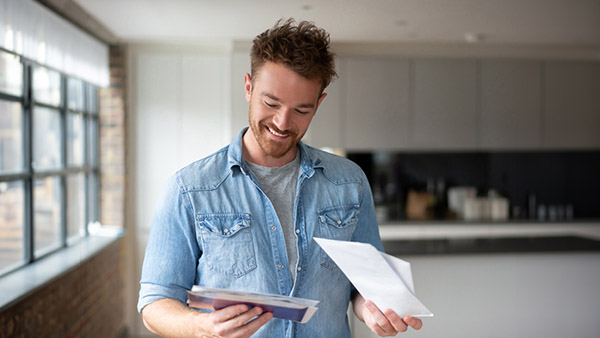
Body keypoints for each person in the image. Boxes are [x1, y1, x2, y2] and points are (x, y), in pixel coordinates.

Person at [138, 18, 423, 338]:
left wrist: (374, 310)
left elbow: (365, 287)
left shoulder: (349, 182)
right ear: (248, 87)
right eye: (271, 103)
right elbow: (155, 303)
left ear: (319, 103)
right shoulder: (189, 189)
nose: (282, 122)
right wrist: (200, 325)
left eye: (301, 110)